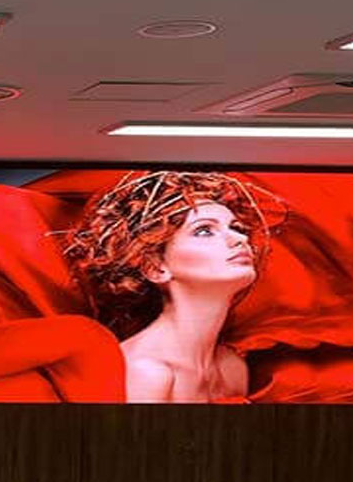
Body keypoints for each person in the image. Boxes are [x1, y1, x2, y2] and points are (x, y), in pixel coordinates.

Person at [62, 171, 283, 403]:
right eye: (204, 230)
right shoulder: (146, 374)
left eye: (237, 228)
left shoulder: (232, 368)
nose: (241, 239)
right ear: (156, 268)